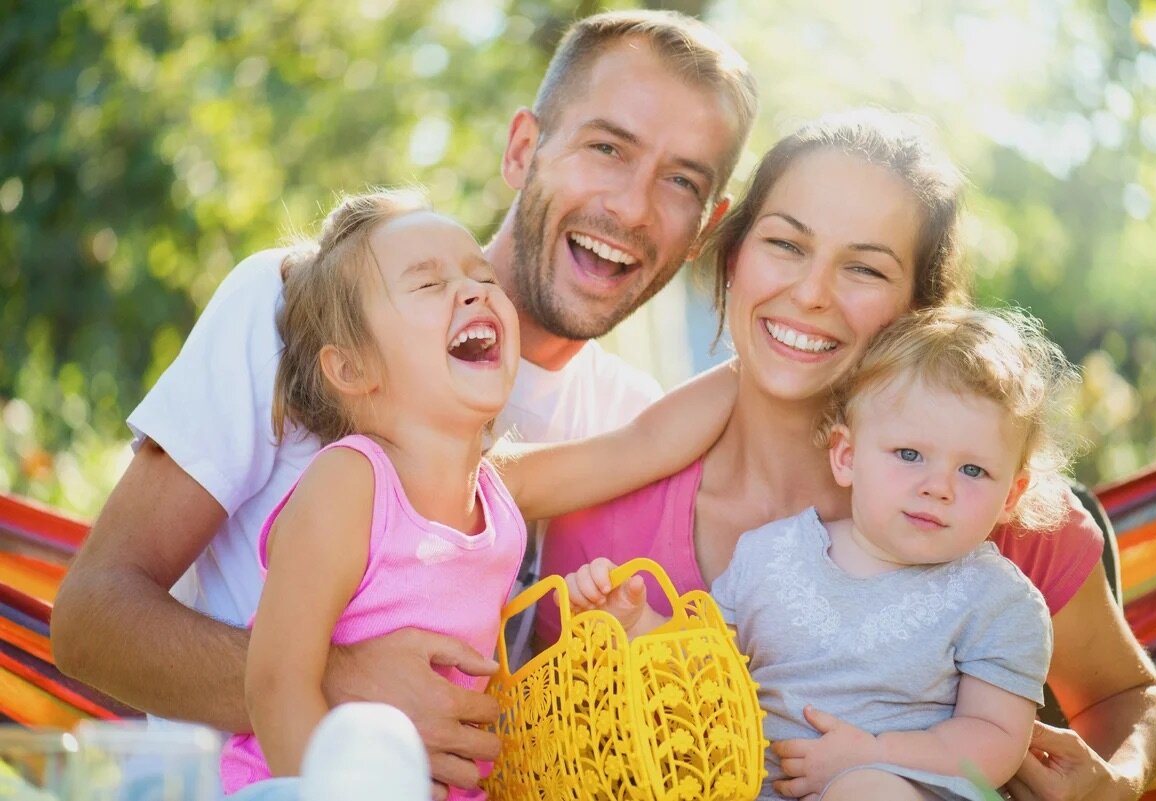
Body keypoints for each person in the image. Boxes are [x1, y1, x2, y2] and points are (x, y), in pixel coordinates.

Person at [49, 10, 757, 799]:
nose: (631, 207)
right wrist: (347, 685)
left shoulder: (629, 422)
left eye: (682, 181)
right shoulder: (300, 306)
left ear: (706, 229)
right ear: (524, 148)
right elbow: (90, 621)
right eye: (607, 148)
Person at [539, 110, 1156, 801]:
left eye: (865, 268)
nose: (812, 293)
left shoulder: (996, 513)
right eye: (785, 244)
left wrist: (1118, 780)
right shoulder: (604, 533)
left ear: (917, 311)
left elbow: (1128, 694)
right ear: (732, 257)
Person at [214, 191, 733, 798]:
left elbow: (642, 446)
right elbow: (275, 682)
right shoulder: (350, 483)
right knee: (365, 748)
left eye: (482, 276)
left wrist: (771, 350)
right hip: (296, 784)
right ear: (352, 369)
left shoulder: (496, 488)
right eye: (429, 285)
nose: (473, 290)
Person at [567, 305, 1077, 800]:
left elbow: (992, 743)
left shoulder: (998, 600)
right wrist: (635, 626)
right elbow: (702, 671)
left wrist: (872, 754)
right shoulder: (771, 555)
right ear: (847, 456)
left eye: (973, 471)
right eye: (909, 455)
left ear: (1010, 494)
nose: (938, 487)